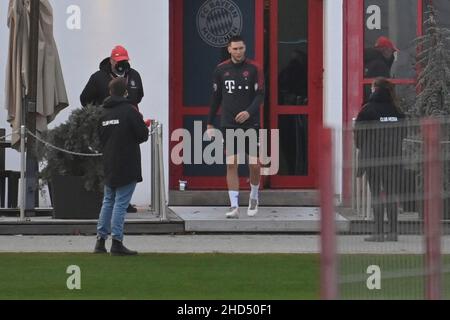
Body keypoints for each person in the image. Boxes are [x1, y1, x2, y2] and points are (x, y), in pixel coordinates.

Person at [80, 45, 144, 213]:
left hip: (128, 129)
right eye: (119, 61)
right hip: (108, 128)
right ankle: (110, 203)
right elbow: (84, 99)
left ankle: (123, 202)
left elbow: (139, 97)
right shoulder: (98, 78)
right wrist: (99, 115)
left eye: (125, 61)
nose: (122, 64)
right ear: (111, 61)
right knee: (109, 163)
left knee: (127, 164)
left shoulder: (134, 75)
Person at [207, 35, 265, 219]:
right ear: (229, 49)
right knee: (231, 163)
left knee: (254, 165)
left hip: (251, 123)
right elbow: (216, 98)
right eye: (235, 49)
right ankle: (234, 205)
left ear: (245, 48)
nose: (238, 52)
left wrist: (249, 112)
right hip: (229, 123)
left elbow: (261, 95)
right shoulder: (221, 69)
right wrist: (210, 122)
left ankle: (254, 197)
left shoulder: (255, 68)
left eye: (241, 48)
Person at [94, 77, 149, 255]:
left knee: (108, 201)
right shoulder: (129, 111)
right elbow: (142, 135)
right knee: (120, 204)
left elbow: (99, 139)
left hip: (109, 162)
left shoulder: (103, 112)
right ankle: (117, 242)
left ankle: (100, 241)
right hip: (127, 162)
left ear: (110, 92)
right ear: (125, 92)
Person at [354, 77, 406, 242]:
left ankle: (378, 233)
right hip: (393, 158)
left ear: (375, 89)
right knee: (391, 195)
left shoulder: (368, 110)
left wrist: (363, 149)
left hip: (374, 158)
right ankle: (393, 233)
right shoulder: (397, 110)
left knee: (376, 194)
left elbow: (359, 134)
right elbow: (403, 133)